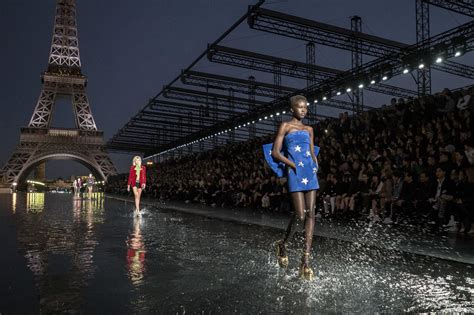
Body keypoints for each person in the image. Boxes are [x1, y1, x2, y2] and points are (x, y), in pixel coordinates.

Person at [263, 95, 320, 280]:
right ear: (292, 109)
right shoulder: (285, 126)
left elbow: (312, 151)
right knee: (300, 214)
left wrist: (315, 164)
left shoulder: (309, 129)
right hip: (295, 172)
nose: (303, 110)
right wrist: (293, 165)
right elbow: (275, 152)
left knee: (311, 213)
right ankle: (283, 244)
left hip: (309, 172)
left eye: (305, 107)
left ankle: (305, 261)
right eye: (300, 107)